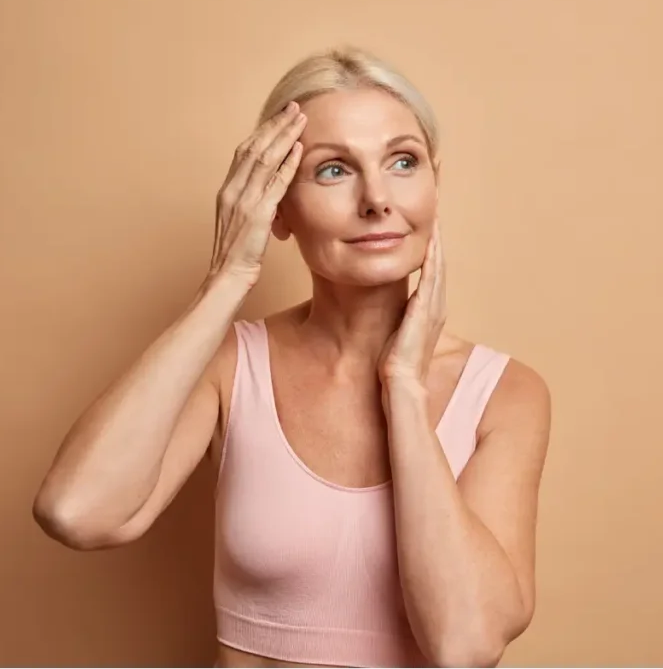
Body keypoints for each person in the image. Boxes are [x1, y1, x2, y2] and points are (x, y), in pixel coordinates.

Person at [32, 46, 552, 669]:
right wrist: (226, 279)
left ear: (434, 185)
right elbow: (76, 512)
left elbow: (465, 645)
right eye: (334, 170)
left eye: (403, 161)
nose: (377, 199)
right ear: (276, 206)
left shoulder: (505, 394)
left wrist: (404, 388)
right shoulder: (233, 366)